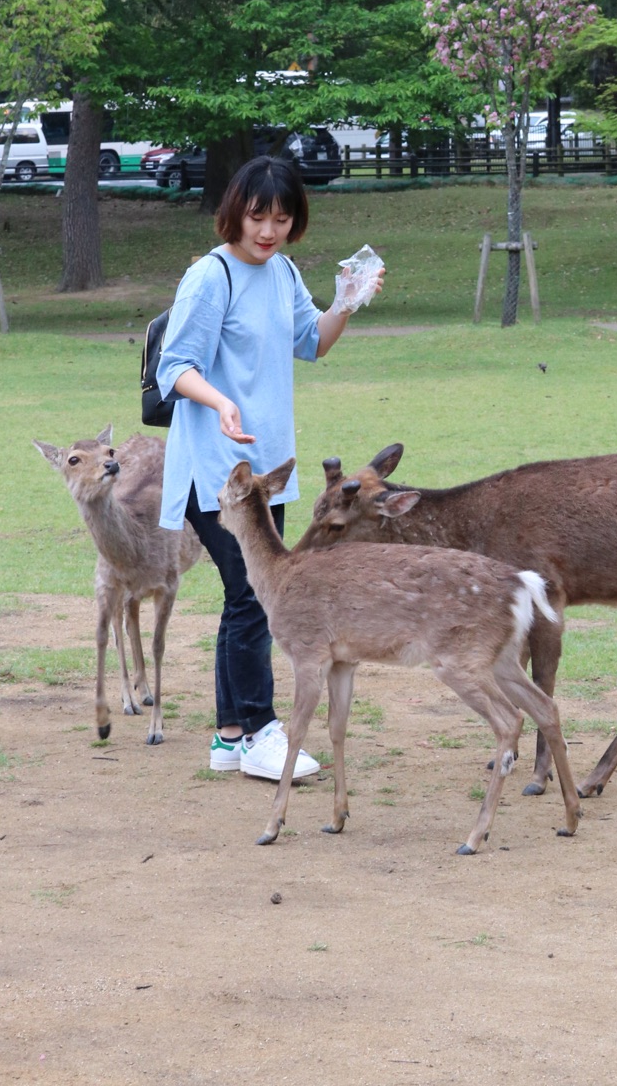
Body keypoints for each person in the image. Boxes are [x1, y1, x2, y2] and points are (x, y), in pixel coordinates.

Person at [156, 153, 378, 781]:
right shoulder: (209, 276)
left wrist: (347, 302)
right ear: (236, 211)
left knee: (248, 595)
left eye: (282, 218)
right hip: (217, 473)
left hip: (269, 472)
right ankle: (258, 730)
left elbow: (311, 343)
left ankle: (231, 738)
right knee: (257, 597)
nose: (269, 230)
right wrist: (223, 403)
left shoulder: (281, 272)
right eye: (259, 216)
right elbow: (175, 367)